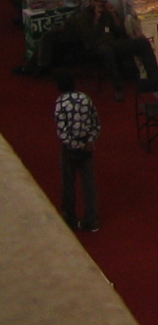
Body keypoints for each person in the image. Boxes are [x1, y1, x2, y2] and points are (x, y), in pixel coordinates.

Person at [54, 72, 100, 232]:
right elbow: (95, 122)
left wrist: (75, 145)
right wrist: (90, 141)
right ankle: (92, 220)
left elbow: (62, 132)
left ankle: (69, 218)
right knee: (89, 184)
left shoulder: (61, 103)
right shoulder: (86, 99)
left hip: (71, 150)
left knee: (68, 183)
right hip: (87, 147)